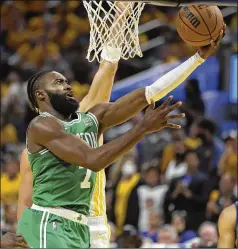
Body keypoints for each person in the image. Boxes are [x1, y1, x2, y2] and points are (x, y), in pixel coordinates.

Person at [17, 21, 225, 248]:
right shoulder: (41, 127)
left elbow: (148, 93)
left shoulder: (89, 119)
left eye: (67, 82)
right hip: (51, 223)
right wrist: (142, 128)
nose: (68, 86)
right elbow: (91, 161)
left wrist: (197, 58)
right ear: (41, 95)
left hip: (89, 225)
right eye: (59, 83)